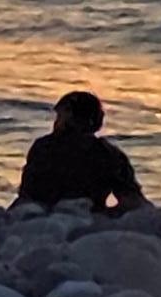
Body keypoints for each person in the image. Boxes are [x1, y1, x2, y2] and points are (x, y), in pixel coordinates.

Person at [16, 89, 144, 214]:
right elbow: (132, 201)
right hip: (89, 221)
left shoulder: (44, 147)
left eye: (60, 116)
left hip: (42, 219)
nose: (56, 123)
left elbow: (27, 195)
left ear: (69, 118)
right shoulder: (108, 154)